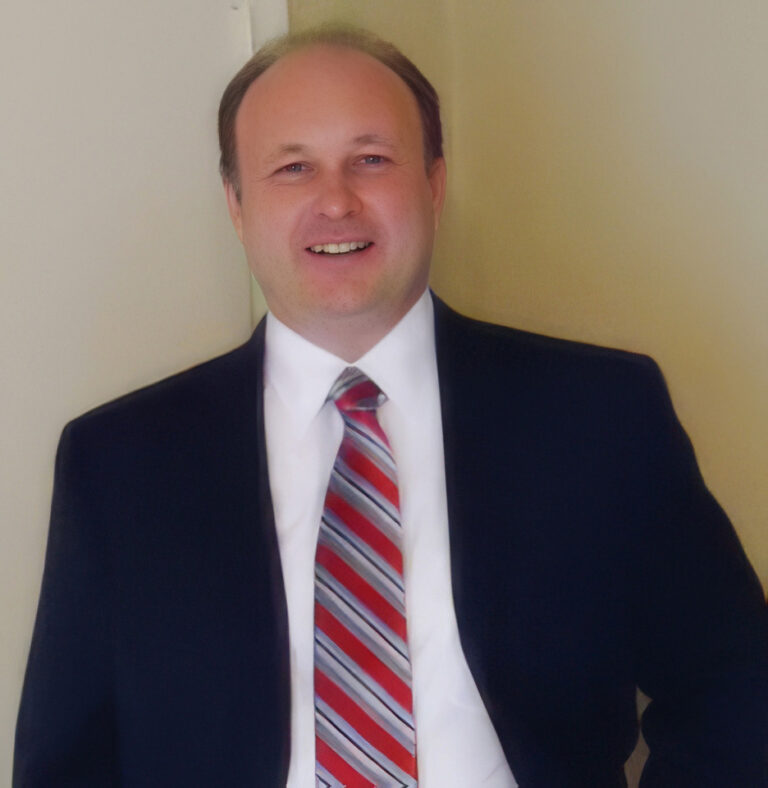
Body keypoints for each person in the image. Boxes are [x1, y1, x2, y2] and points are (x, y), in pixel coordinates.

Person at [14, 25, 768, 788]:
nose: (335, 201)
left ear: (434, 185)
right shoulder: (119, 464)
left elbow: (737, 683)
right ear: (237, 206)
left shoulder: (599, 418)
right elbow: (67, 767)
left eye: (371, 160)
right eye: (293, 168)